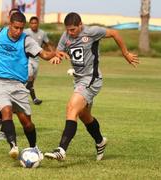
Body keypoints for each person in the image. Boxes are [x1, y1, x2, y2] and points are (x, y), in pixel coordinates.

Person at [44, 12, 139, 161]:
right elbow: (59, 51)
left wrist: (125, 53)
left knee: (71, 107)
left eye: (73, 29)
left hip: (91, 79)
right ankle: (100, 141)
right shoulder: (66, 36)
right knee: (84, 115)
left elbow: (114, 33)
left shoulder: (92, 32)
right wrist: (57, 56)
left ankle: (61, 150)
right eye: (68, 30)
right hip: (78, 80)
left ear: (80, 25)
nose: (70, 33)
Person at [0, 12, 59, 159]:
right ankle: (13, 147)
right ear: (9, 24)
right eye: (16, 27)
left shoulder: (27, 40)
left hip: (18, 85)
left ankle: (34, 148)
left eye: (21, 28)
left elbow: (44, 55)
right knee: (6, 110)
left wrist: (55, 53)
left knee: (27, 123)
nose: (18, 31)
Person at [0, 8, 21, 140]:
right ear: (10, 19)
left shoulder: (21, 36)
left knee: (9, 105)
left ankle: (4, 131)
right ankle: (0, 117)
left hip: (15, 75)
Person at [24, 16, 54, 105]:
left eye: (35, 23)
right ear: (30, 24)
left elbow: (47, 44)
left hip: (36, 59)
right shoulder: (25, 32)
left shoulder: (42, 33)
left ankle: (31, 98)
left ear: (38, 24)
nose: (34, 25)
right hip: (27, 58)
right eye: (32, 23)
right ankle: (30, 98)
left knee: (31, 82)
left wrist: (53, 54)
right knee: (29, 77)